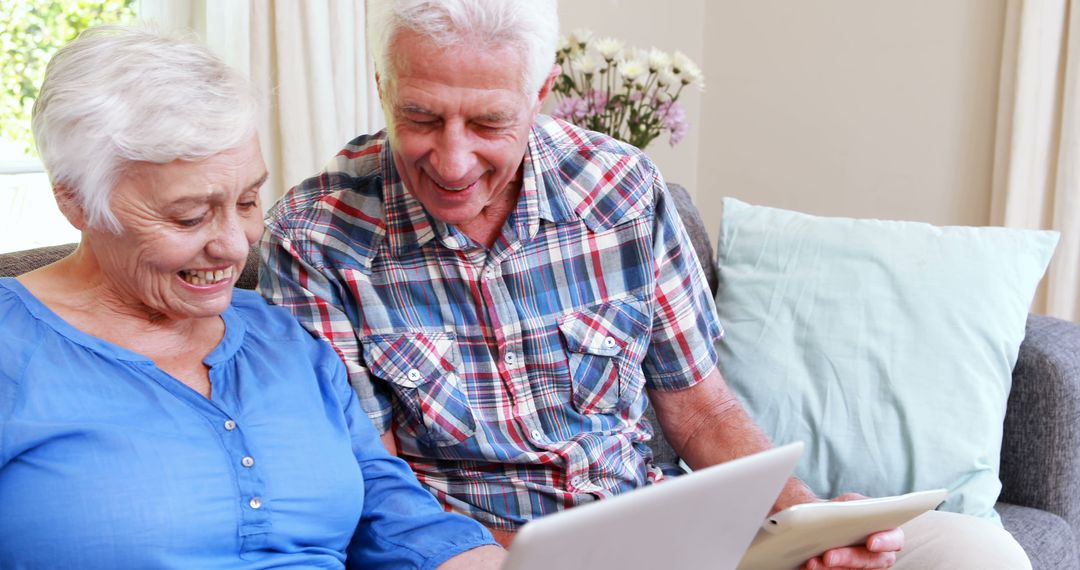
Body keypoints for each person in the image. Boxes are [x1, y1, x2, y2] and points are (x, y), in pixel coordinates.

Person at [259, 1, 1031, 568]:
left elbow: (700, 412)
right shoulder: (317, 233)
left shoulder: (619, 188)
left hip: (670, 537)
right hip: (486, 557)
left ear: (541, 95)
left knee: (974, 553)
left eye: (488, 124)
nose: (452, 161)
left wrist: (808, 523)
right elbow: (376, 484)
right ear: (381, 85)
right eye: (420, 116)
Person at [0, 25, 504, 569]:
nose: (236, 243)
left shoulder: (280, 336)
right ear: (75, 203)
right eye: (189, 216)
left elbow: (394, 513)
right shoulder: (13, 347)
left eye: (246, 201)